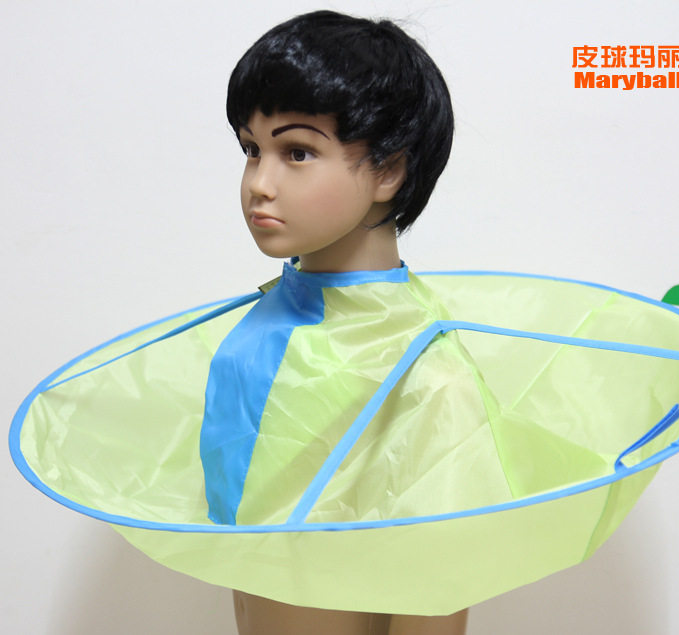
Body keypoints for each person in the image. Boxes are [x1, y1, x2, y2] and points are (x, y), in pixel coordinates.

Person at [215, 9, 469, 635]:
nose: (259, 184)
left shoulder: (417, 365)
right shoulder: (258, 329)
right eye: (252, 149)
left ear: (388, 170)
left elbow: (435, 592)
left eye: (297, 151)